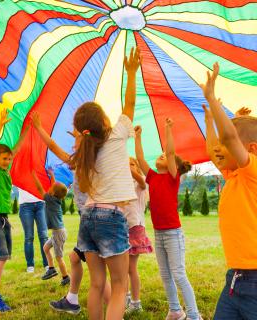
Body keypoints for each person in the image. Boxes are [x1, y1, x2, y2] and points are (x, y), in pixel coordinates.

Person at [69, 47, 141, 320]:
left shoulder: (86, 151)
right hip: (111, 217)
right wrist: (131, 73)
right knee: (120, 285)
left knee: (97, 285)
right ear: (104, 122)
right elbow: (130, 104)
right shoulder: (118, 135)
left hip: (88, 216)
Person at [31, 113, 111, 314]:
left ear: (84, 141)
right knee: (75, 259)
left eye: (75, 140)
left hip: (92, 220)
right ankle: (72, 300)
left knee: (98, 276)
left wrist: (39, 127)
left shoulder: (83, 160)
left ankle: (114, 307)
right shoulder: (94, 158)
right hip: (93, 219)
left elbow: (53, 146)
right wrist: (79, 136)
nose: (72, 145)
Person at [201, 62, 257, 320]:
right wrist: (210, 119)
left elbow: (230, 140)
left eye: (228, 145)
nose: (221, 150)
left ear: (251, 149)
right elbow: (215, 148)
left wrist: (213, 100)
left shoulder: (252, 171)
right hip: (235, 280)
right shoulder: (233, 174)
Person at [135, 119, 201, 320]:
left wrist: (168, 130)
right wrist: (138, 137)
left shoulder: (173, 177)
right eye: (161, 155)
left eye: (164, 156)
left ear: (175, 167)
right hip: (159, 234)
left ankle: (194, 315)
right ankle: (175, 310)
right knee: (165, 275)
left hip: (173, 234)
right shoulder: (153, 177)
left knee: (179, 274)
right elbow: (140, 159)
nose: (162, 156)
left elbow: (171, 153)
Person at [0, 110, 29, 312]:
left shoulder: (5, 170)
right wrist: (0, 126)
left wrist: (28, 127)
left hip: (3, 219)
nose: (7, 162)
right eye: (4, 158)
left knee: (3, 257)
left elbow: (17, 149)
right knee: (0, 257)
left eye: (9, 159)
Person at [32, 169, 70, 286]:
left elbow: (39, 189)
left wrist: (33, 174)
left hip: (58, 233)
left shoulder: (50, 199)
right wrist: (52, 175)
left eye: (51, 188)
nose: (49, 188)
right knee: (46, 248)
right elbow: (54, 187)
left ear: (52, 193)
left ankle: (66, 277)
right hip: (57, 232)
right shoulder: (56, 198)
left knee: (59, 257)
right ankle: (51, 269)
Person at [124, 157, 152, 313]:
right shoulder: (121, 186)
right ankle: (126, 297)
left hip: (135, 228)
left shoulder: (141, 184)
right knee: (122, 268)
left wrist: (126, 167)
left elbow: (139, 179)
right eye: (126, 164)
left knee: (131, 268)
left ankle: (136, 303)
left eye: (132, 164)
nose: (129, 167)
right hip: (121, 229)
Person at [18, 187, 48, 273]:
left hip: (41, 204)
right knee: (29, 237)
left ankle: (47, 264)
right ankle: (30, 265)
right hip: (25, 205)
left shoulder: (40, 172)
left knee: (44, 236)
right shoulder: (20, 173)